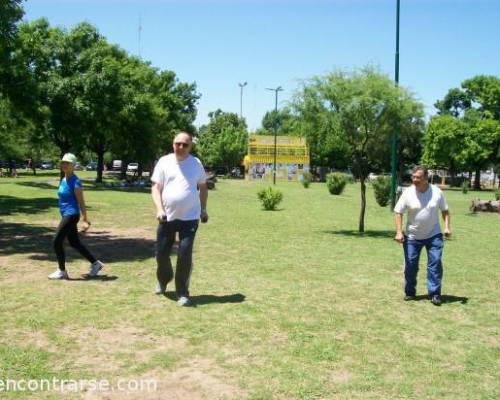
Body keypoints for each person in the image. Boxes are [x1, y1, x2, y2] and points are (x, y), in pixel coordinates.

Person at [151, 131, 208, 307]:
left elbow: (203, 187)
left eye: (185, 144)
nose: (180, 147)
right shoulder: (164, 162)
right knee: (161, 253)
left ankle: (182, 292)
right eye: (178, 143)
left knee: (184, 254)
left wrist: (204, 209)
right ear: (173, 144)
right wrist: (160, 209)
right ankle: (163, 279)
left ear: (190, 146)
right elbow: (156, 187)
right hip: (167, 217)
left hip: (190, 218)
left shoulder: (195, 163)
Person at [394, 165, 451, 306]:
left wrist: (447, 227)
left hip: (434, 234)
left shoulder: (437, 192)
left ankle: (435, 294)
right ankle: (410, 292)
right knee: (411, 265)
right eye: (413, 177)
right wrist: (399, 231)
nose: (414, 179)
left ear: (426, 178)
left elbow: (445, 211)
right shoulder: (408, 193)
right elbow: (398, 211)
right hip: (412, 236)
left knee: (435, 263)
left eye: (418, 177)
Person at [48, 153, 103, 280]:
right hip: (65, 214)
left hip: (71, 214)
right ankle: (96, 264)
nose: (64, 165)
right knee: (74, 243)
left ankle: (62, 271)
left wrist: (85, 219)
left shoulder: (76, 181)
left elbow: (81, 202)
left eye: (67, 163)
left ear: (73, 165)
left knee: (56, 241)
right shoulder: (63, 179)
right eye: (63, 162)